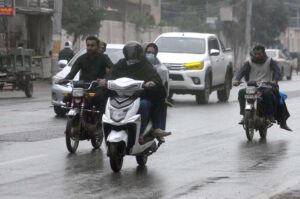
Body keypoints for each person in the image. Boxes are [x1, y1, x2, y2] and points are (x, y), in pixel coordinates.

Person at [108, 41, 171, 143]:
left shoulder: (145, 64)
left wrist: (151, 82)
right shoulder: (121, 63)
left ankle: (141, 133)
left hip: (141, 96)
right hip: (121, 96)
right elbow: (111, 74)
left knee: (144, 105)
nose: (132, 58)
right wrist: (105, 81)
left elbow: (155, 79)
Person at [233, 44, 292, 131]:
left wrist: (274, 81)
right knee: (241, 92)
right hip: (252, 86)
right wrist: (236, 80)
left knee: (268, 94)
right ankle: (244, 115)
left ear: (263, 53)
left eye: (259, 54)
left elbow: (277, 72)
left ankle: (269, 116)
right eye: (255, 54)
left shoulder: (270, 61)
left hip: (266, 86)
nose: (257, 56)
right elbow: (242, 71)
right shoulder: (249, 62)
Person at [59, 36, 113, 115]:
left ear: (97, 46)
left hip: (97, 86)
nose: (90, 47)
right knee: (68, 97)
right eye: (88, 45)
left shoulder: (103, 58)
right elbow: (72, 73)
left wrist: (105, 80)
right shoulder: (81, 58)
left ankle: (101, 121)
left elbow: (113, 69)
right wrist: (65, 79)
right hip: (83, 87)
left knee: (102, 99)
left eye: (92, 46)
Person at [143, 42, 169, 137]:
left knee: (159, 98)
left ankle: (158, 128)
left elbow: (157, 80)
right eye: (147, 52)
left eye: (152, 53)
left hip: (146, 92)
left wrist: (152, 83)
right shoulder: (127, 64)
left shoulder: (155, 67)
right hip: (130, 92)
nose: (149, 55)